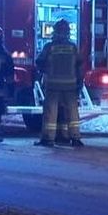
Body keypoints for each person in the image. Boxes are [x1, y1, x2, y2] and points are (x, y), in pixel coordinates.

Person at [34, 18, 83, 147]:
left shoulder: (49, 47)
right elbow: (79, 66)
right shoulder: (73, 47)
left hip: (53, 85)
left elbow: (39, 62)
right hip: (70, 85)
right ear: (68, 32)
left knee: (51, 112)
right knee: (72, 111)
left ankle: (48, 138)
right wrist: (80, 82)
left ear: (54, 31)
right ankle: (75, 138)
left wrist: (44, 71)